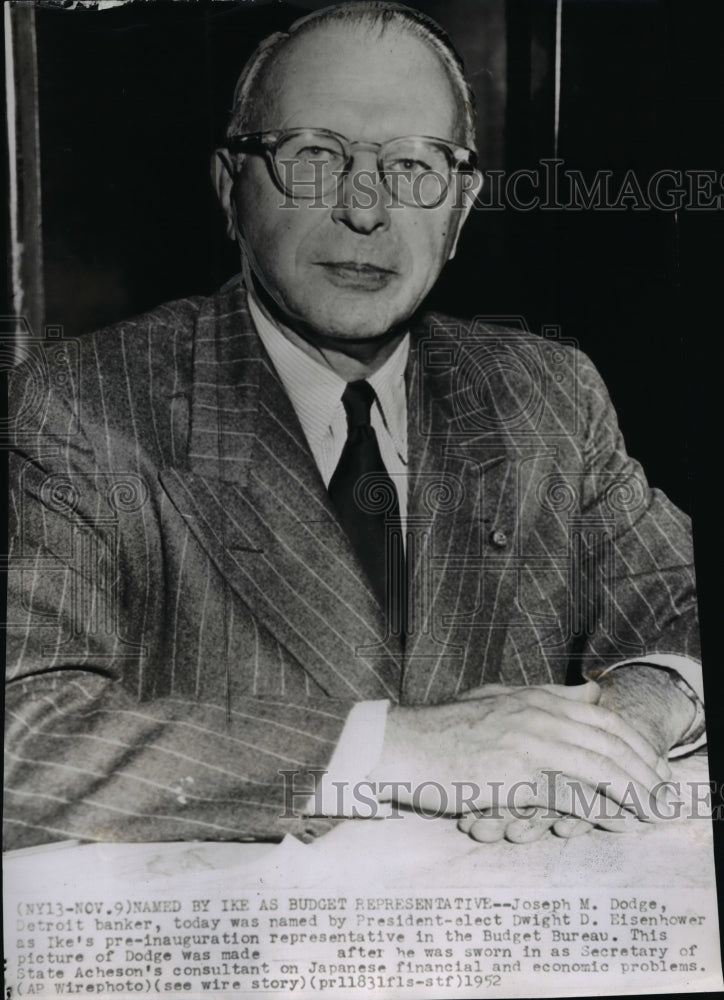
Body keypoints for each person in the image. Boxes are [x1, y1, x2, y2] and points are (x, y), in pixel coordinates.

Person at [5, 0, 704, 852]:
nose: (367, 210)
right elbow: (23, 738)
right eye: (315, 156)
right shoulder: (85, 403)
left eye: (416, 167)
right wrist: (395, 749)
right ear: (231, 186)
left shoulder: (545, 393)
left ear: (462, 205)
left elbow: (680, 604)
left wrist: (619, 723)